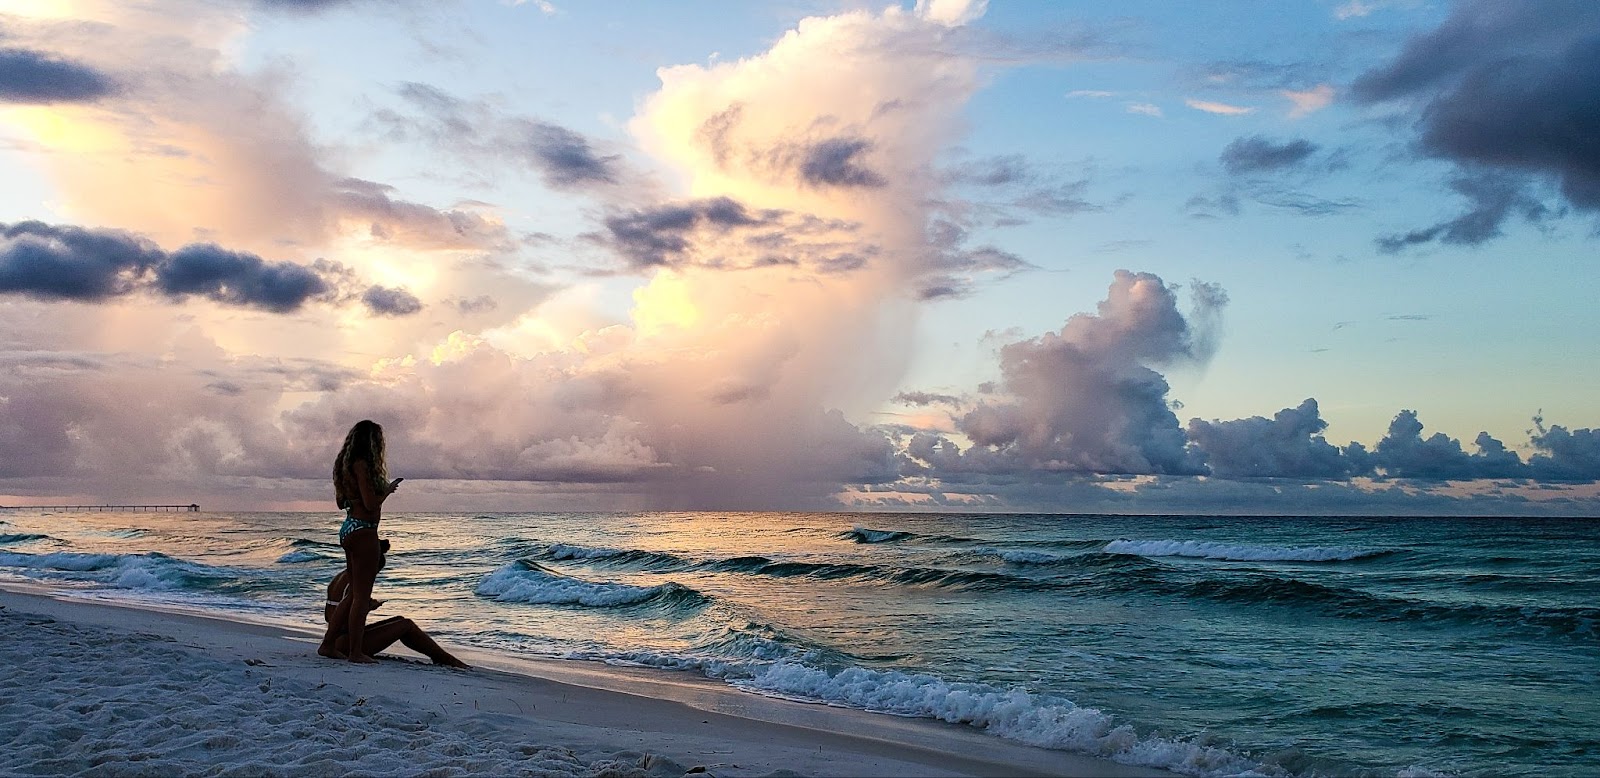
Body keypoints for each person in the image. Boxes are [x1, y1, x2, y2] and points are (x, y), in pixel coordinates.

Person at [318, 419, 402, 664]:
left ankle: (327, 644)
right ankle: (355, 652)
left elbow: (340, 503)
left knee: (352, 594)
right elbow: (371, 504)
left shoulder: (344, 466)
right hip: (364, 530)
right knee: (361, 597)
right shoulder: (362, 465)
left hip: (349, 528)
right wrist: (386, 490)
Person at [321, 546, 468, 668]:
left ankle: (441, 657)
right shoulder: (358, 581)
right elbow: (344, 620)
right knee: (406, 625)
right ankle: (444, 658)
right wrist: (366, 608)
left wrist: (365, 606)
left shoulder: (341, 578)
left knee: (400, 620)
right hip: (344, 643)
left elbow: (331, 615)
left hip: (338, 639)